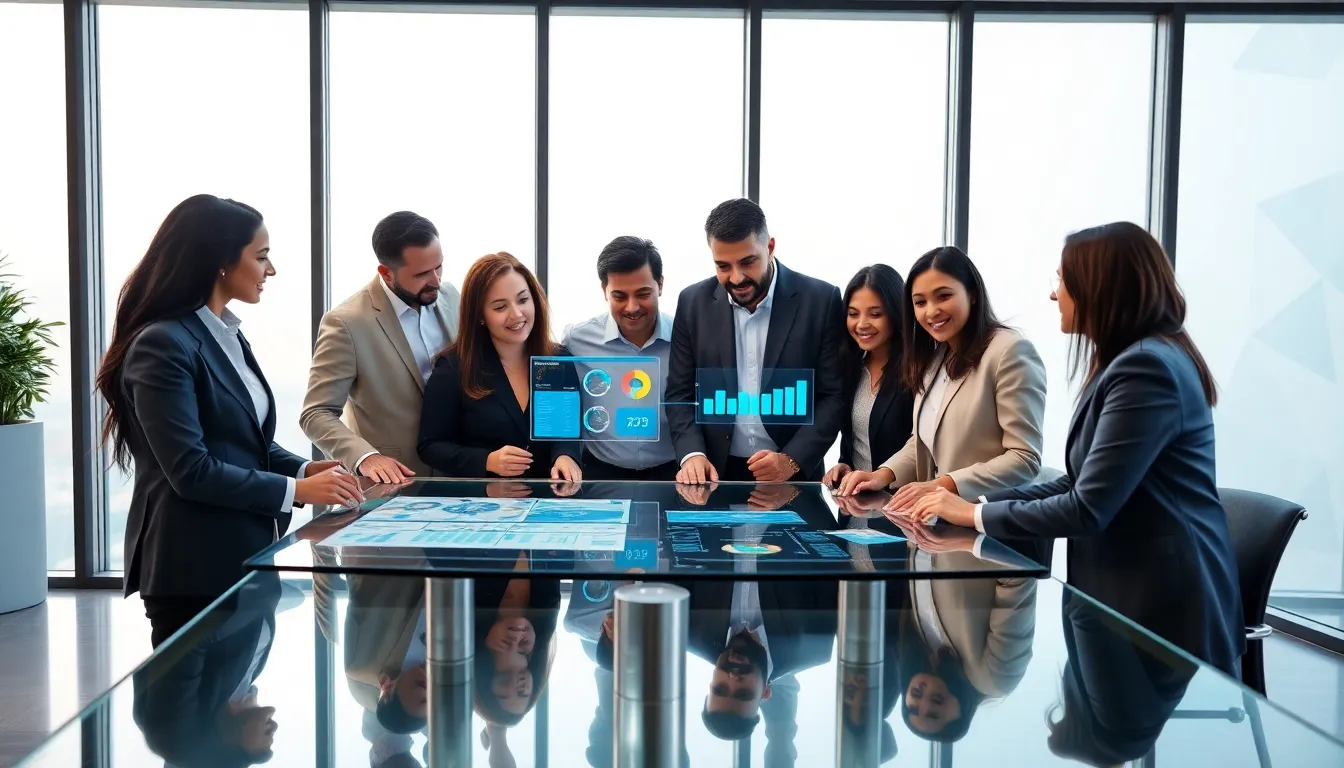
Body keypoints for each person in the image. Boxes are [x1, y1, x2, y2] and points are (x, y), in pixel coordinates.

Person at [904, 222, 1244, 674]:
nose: (1054, 295)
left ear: (1099, 287)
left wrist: (971, 513)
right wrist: (972, 503)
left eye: (1063, 281)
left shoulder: (1146, 369)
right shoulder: (1131, 361)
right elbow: (1077, 481)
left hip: (1162, 609)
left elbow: (1087, 508)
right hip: (1126, 596)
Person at [97, 194, 363, 645]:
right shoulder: (162, 344)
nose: (271, 270)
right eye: (261, 257)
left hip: (243, 552)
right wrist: (297, 491)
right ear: (221, 261)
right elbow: (190, 470)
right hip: (192, 565)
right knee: (191, 711)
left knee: (234, 701)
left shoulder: (225, 334)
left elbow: (243, 439)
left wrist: (302, 468)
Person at [835, 246, 1046, 513]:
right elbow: (920, 442)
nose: (931, 311)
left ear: (972, 294)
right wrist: (881, 475)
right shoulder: (935, 357)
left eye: (943, 296)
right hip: (933, 526)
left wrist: (942, 485)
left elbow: (1024, 458)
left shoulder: (1009, 350)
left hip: (986, 524)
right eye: (920, 302)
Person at [667, 198, 845, 483]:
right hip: (715, 475)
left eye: (747, 262)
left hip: (793, 474)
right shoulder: (692, 303)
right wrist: (692, 455)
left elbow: (833, 396)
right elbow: (680, 394)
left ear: (770, 247)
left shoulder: (820, 300)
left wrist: (792, 460)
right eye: (723, 266)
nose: (736, 278)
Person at [302, 211, 461, 483]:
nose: (435, 280)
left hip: (460, 477)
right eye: (422, 273)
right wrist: (366, 458)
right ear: (386, 273)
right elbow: (316, 413)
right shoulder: (346, 323)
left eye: (439, 267)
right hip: (392, 487)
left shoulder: (451, 297)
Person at [418, 252, 583, 481]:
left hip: (549, 499)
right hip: (483, 504)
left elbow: (566, 430)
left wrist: (566, 455)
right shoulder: (454, 367)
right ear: (480, 315)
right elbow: (430, 446)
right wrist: (487, 461)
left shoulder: (557, 359)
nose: (516, 314)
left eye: (523, 300)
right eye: (499, 307)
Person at [561, 236, 678, 480]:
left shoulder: (685, 339)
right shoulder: (577, 340)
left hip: (674, 475)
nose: (632, 307)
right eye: (620, 296)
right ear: (604, 291)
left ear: (660, 285)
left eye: (643, 294)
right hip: (600, 474)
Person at [823, 264, 915, 490]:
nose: (862, 324)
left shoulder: (916, 372)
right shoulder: (851, 369)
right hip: (856, 504)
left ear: (896, 315)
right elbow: (856, 440)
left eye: (875, 314)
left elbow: (922, 447)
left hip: (903, 508)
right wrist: (844, 464)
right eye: (853, 314)